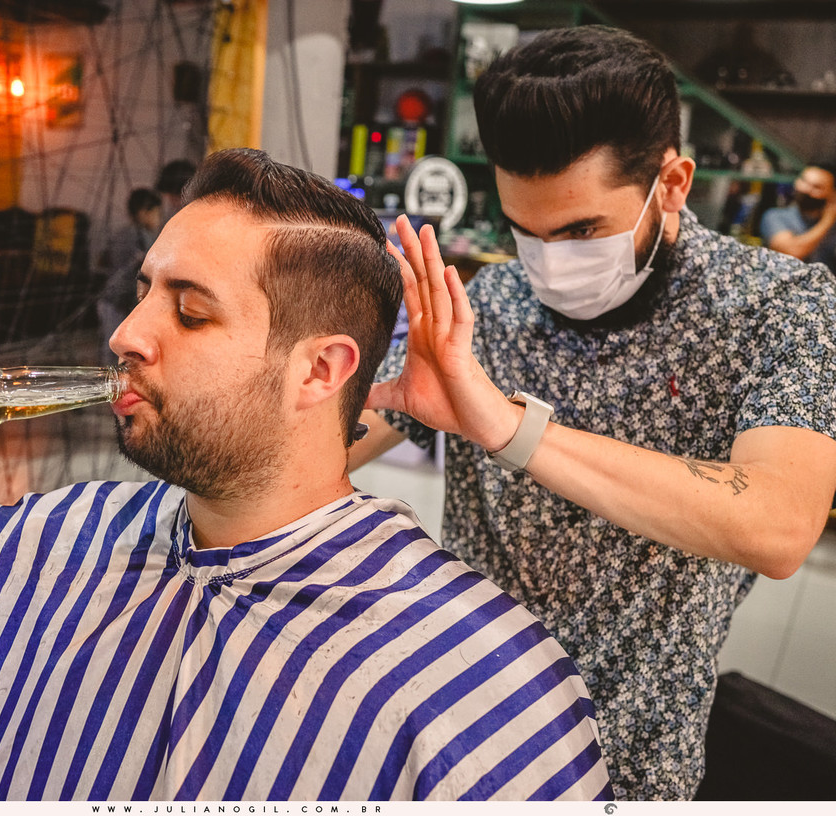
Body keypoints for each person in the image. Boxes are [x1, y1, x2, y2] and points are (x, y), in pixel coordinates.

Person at [0, 149, 611, 801]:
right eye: (142, 294)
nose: (128, 334)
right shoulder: (43, 537)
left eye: (191, 312)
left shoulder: (476, 688)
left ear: (319, 372)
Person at [353, 26, 836, 801]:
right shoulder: (495, 301)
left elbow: (779, 525)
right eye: (526, 232)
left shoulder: (773, 308)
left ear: (672, 183)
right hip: (450, 718)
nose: (549, 262)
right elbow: (347, 435)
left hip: (624, 760)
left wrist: (507, 426)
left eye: (581, 231)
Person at [96, 187, 162, 362]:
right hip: (118, 301)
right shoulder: (141, 236)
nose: (158, 219)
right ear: (143, 213)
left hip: (111, 300)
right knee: (115, 349)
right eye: (156, 213)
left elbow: (102, 260)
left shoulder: (122, 233)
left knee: (111, 345)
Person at [760, 163, 836, 273]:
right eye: (804, 181)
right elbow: (792, 251)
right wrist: (828, 220)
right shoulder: (776, 216)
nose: (806, 189)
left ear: (832, 194)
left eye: (817, 187)